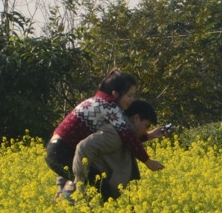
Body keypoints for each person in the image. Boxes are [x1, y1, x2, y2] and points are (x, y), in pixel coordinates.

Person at [45, 68, 166, 202]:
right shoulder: (110, 107)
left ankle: (63, 199)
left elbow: (125, 136)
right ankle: (69, 202)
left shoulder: (98, 101)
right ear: (115, 94)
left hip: (56, 149)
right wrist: (148, 161)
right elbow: (127, 136)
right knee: (94, 186)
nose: (132, 100)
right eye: (129, 95)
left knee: (87, 181)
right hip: (61, 151)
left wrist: (148, 136)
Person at [72, 99, 160, 202]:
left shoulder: (124, 133)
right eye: (146, 126)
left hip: (101, 186)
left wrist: (150, 136)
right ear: (136, 118)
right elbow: (83, 148)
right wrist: (80, 184)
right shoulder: (115, 133)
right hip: (94, 185)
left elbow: (128, 142)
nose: (146, 131)